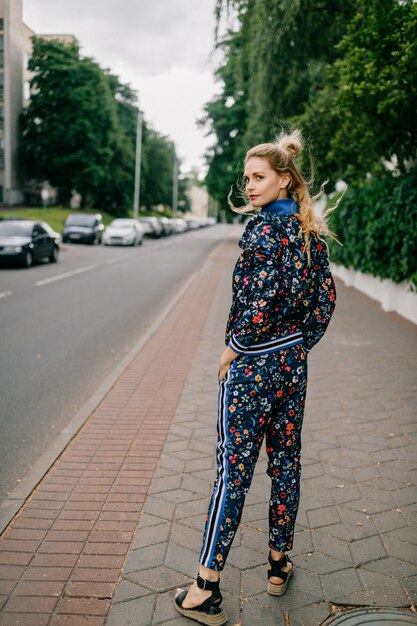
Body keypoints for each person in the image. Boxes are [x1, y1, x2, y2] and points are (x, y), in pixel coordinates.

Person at [174, 130, 338, 625]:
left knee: (233, 472)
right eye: (246, 178)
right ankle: (277, 564)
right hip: (292, 366)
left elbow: (260, 300)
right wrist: (298, 346)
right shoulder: (308, 231)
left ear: (284, 180)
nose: (249, 185)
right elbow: (326, 300)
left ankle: (206, 589)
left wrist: (235, 350)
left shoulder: (263, 230)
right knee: (286, 464)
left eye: (259, 177)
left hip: (251, 370)